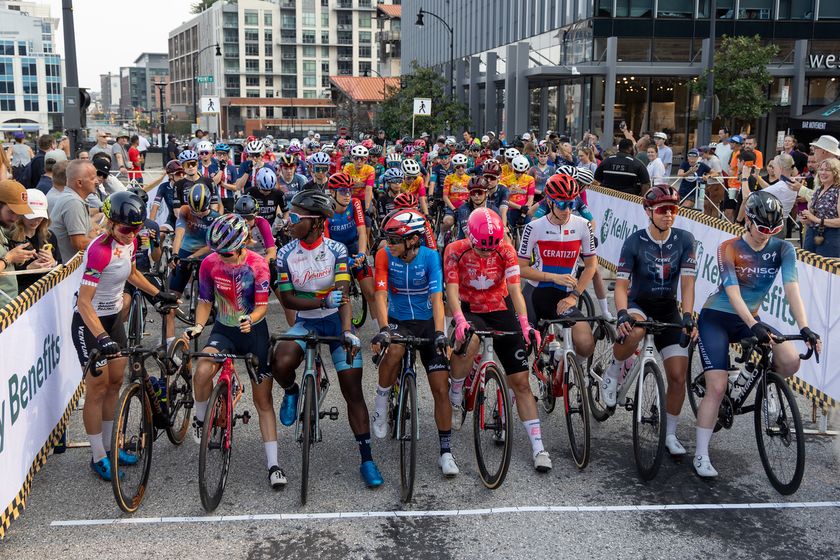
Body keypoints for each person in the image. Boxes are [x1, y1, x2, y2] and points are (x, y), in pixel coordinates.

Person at [694, 190, 820, 478]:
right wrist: (753, 323)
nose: (767, 234)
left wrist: (803, 326)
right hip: (718, 317)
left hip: (749, 318)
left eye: (774, 229)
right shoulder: (729, 247)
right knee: (716, 387)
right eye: (762, 228)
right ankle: (701, 453)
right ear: (748, 221)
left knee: (789, 360)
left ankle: (762, 385)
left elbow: (792, 290)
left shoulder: (783, 249)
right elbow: (733, 291)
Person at [271, 191, 384, 488]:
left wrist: (347, 331)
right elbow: (287, 298)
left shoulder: (337, 251)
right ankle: (292, 391)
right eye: (289, 215)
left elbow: (343, 294)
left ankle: (367, 457)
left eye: (295, 217)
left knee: (352, 388)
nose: (289, 221)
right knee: (279, 361)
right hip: (307, 320)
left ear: (316, 222)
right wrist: (321, 302)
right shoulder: (285, 254)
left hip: (336, 321)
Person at [71, 191, 177, 480]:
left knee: (116, 381)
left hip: (114, 316)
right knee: (97, 387)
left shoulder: (127, 244)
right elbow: (83, 301)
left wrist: (157, 293)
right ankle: (96, 456)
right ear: (111, 223)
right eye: (126, 229)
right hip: (89, 322)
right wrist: (102, 338)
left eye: (137, 228)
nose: (132, 234)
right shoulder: (100, 250)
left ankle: (110, 446)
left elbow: (130, 273)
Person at [184, 214, 287, 489]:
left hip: (253, 332)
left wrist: (249, 319)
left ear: (243, 244)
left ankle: (274, 464)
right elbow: (205, 301)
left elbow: (262, 307)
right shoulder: (209, 263)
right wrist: (197, 325)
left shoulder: (258, 265)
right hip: (224, 330)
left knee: (262, 400)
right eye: (218, 252)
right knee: (202, 369)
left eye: (227, 253)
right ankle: (200, 418)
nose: (222, 257)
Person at [445, 207, 547, 471]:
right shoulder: (455, 249)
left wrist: (525, 325)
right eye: (481, 249)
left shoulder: (506, 249)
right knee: (471, 343)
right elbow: (452, 291)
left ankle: (538, 448)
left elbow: (515, 290)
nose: (487, 254)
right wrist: (459, 320)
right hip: (470, 309)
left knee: (521, 382)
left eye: (492, 249)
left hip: (500, 309)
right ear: (470, 237)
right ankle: (456, 393)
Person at [599, 185, 697, 458]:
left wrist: (688, 316)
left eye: (674, 210)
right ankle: (613, 371)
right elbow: (620, 286)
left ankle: (670, 434)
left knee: (677, 376)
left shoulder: (685, 239)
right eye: (663, 210)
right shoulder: (634, 241)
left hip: (667, 309)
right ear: (648, 211)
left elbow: (688, 285)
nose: (669, 215)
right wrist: (621, 313)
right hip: (639, 304)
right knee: (634, 332)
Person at [369, 209, 459, 476]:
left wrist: (441, 332)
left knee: (441, 388)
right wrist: (384, 329)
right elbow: (381, 294)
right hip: (398, 320)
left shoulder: (431, 257)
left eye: (395, 239)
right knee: (394, 349)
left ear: (412, 240)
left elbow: (436, 299)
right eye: (387, 238)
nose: (389, 244)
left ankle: (446, 452)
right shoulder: (384, 255)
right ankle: (381, 402)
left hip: (427, 322)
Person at [518, 172, 596, 371]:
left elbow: (590, 266)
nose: (567, 209)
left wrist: (574, 295)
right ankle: (513, 392)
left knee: (586, 344)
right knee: (523, 345)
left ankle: (563, 368)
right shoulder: (533, 227)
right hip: (536, 294)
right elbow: (520, 268)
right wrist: (553, 276)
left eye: (571, 203)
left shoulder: (583, 226)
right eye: (561, 204)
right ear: (550, 202)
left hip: (564, 297)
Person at [323, 173, 376, 326]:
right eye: (342, 191)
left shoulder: (355, 203)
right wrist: (345, 260)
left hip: (353, 247)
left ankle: (380, 332)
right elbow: (326, 242)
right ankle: (347, 329)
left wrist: (361, 253)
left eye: (349, 190)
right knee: (343, 295)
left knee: (371, 292)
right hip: (335, 251)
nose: (347, 195)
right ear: (332, 192)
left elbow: (361, 232)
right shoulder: (326, 209)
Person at [49, 160, 101, 263]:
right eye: (93, 178)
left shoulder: (75, 199)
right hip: (70, 272)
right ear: (79, 183)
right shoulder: (73, 202)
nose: (97, 181)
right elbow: (79, 244)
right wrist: (108, 244)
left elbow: (90, 233)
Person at [11, 189, 60, 292]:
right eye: (32, 216)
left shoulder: (49, 236)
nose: (36, 221)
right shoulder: (10, 238)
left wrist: (53, 263)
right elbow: (7, 280)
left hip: (46, 293)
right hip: (22, 297)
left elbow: (61, 267)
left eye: (40, 217)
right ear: (21, 214)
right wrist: (28, 269)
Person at [0, 180, 36, 306]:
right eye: (11, 212)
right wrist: (9, 257)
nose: (15, 218)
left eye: (18, 213)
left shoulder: (2, 228)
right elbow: (7, 258)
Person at [800, 158, 840, 257]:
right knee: (808, 268)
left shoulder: (838, 191)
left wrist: (816, 219)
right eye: (821, 169)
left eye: (827, 170)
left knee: (826, 271)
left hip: (830, 237)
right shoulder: (819, 190)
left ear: (835, 173)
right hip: (812, 234)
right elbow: (814, 217)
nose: (823, 172)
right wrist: (807, 219)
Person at [455, 177, 502, 241]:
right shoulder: (463, 209)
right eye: (473, 193)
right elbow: (467, 234)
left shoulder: (494, 210)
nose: (476, 196)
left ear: (487, 193)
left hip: (488, 243)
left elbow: (503, 234)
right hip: (466, 242)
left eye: (480, 192)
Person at [502, 155, 535, 231]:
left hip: (525, 210)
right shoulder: (505, 180)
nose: (519, 174)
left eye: (522, 172)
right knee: (511, 232)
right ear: (513, 168)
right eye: (517, 172)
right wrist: (520, 207)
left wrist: (523, 214)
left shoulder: (530, 179)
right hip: (511, 209)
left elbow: (531, 198)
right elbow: (504, 199)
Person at [150, 160, 185, 229]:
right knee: (160, 233)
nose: (181, 176)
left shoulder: (188, 185)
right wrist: (150, 226)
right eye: (178, 173)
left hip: (188, 220)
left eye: (183, 173)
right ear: (170, 176)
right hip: (172, 221)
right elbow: (155, 207)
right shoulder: (164, 187)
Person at [214, 143, 239, 212]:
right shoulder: (213, 167)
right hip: (215, 199)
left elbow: (235, 188)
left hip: (228, 198)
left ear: (228, 155)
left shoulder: (232, 168)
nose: (221, 156)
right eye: (219, 154)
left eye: (224, 154)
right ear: (216, 154)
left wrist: (223, 184)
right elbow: (212, 183)